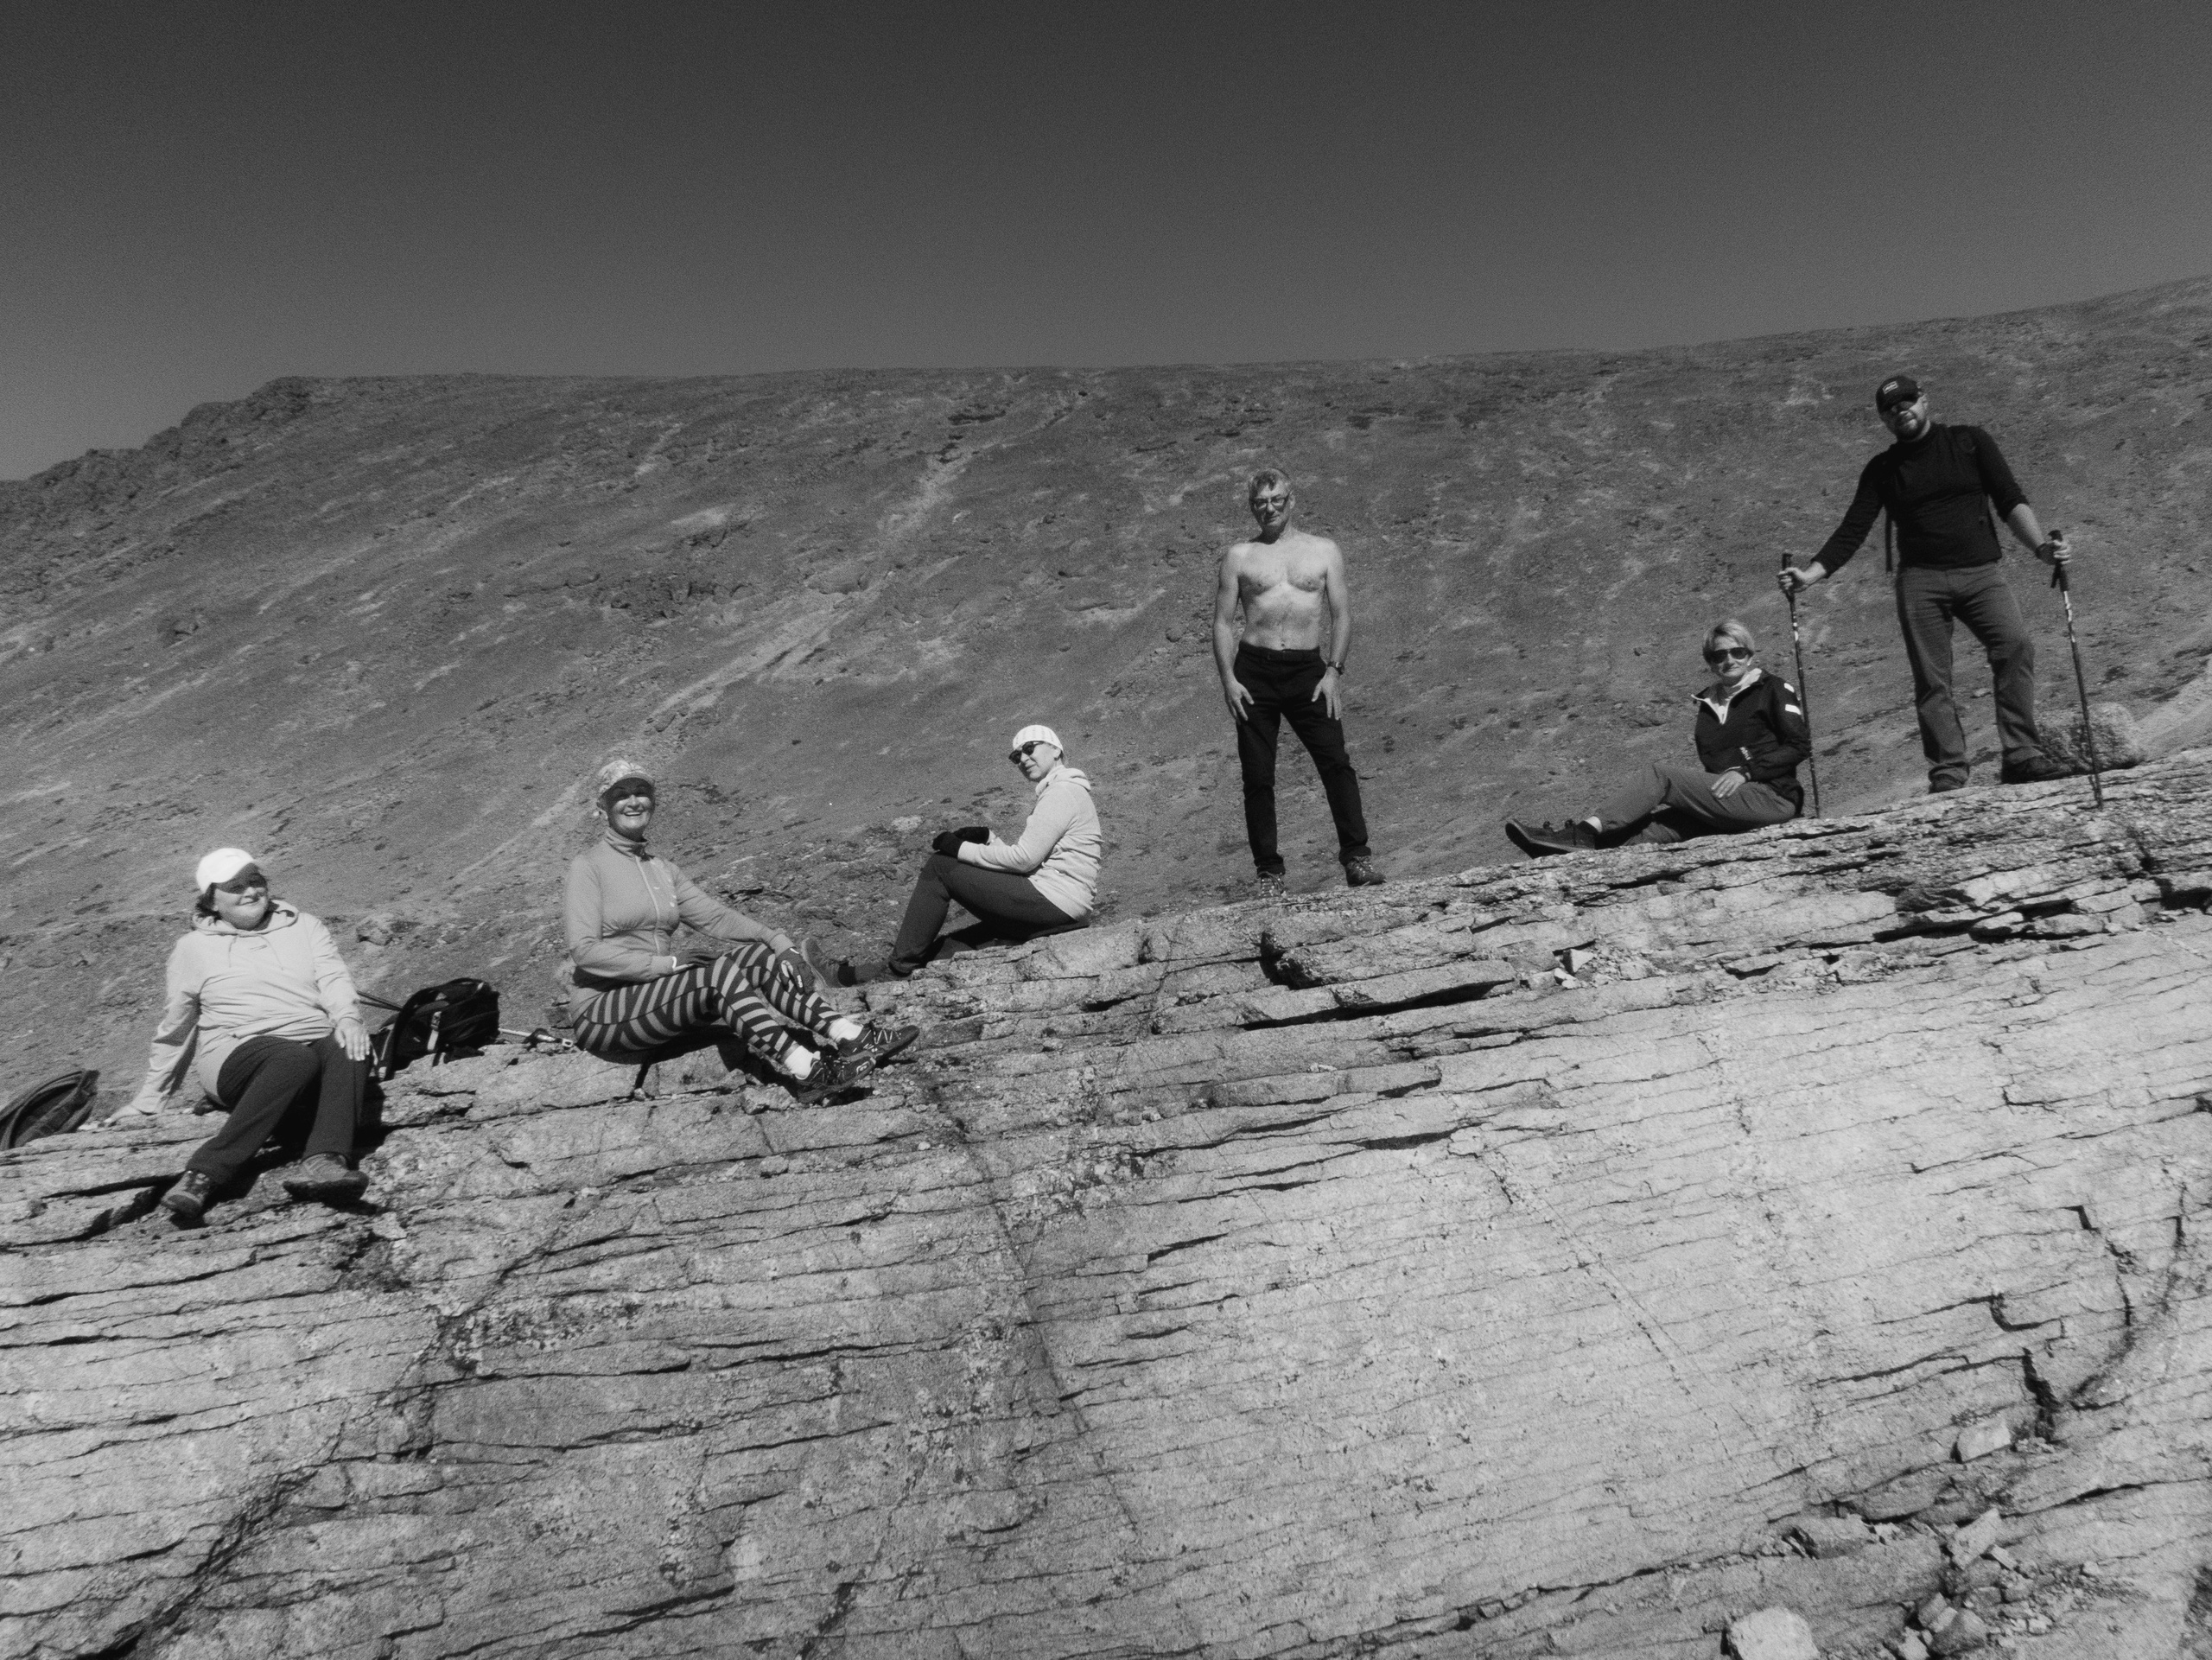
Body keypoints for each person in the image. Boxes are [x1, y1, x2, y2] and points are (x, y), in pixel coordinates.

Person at [1780, 373, 2075, 792]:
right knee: (1932, 678)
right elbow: (1853, 529)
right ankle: (1949, 770)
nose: (1901, 411)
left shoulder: (1970, 442)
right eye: (1891, 408)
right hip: (1920, 581)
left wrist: (2041, 549)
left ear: (1925, 401)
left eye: (1907, 401)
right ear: (1884, 419)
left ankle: (2022, 754)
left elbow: (2009, 498)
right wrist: (1811, 574)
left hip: (1981, 573)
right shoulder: (1882, 469)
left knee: (2015, 646)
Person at [563, 759, 913, 1102]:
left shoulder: (662, 869)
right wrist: (665, 966)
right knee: (715, 975)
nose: (634, 801)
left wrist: (779, 942)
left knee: (759, 956)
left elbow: (715, 917)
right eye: (621, 794)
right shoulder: (588, 866)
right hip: (602, 1012)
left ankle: (850, 1035)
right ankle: (809, 1070)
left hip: (656, 999)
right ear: (602, 806)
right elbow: (584, 950)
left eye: (641, 791)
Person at [124, 848, 375, 1223]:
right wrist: (150, 1099)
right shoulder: (192, 948)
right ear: (211, 900)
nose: (250, 892)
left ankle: (325, 1159)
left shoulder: (305, 926)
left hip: (309, 1037)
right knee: (292, 1057)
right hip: (234, 1051)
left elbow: (333, 977)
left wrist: (348, 1019)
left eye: (255, 881)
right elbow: (176, 1027)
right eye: (234, 886)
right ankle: (203, 1174)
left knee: (352, 1047)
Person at [1212, 467, 1383, 892]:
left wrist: (1334, 671)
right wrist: (1229, 680)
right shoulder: (1239, 556)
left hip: (1309, 671)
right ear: (1252, 507)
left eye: (1276, 500)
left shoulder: (1324, 551)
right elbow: (1221, 622)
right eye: (1259, 503)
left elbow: (1342, 613)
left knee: (1336, 763)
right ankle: (1269, 873)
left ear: (1292, 500)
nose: (1268, 509)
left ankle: (1357, 860)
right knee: (1258, 777)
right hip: (1254, 672)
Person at [1503, 620, 1808, 855]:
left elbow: (1799, 745)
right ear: (1710, 661)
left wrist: (1747, 771)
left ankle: (1583, 831)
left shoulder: (1773, 689)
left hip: (1770, 798)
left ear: (1750, 655)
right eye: (1720, 654)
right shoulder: (1707, 703)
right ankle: (1564, 851)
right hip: (1729, 804)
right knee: (1651, 830)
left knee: (1661, 776)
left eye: (1737, 652)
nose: (1729, 660)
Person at [842, 723, 1102, 980]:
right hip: (1059, 907)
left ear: (1056, 750)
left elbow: (1024, 860)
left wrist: (959, 848)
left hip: (1054, 902)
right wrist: (989, 838)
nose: (1023, 759)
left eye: (1029, 748)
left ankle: (897, 968)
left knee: (940, 867)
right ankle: (850, 977)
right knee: (954, 945)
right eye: (1016, 756)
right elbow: (1033, 863)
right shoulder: (1065, 792)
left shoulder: (1062, 792)